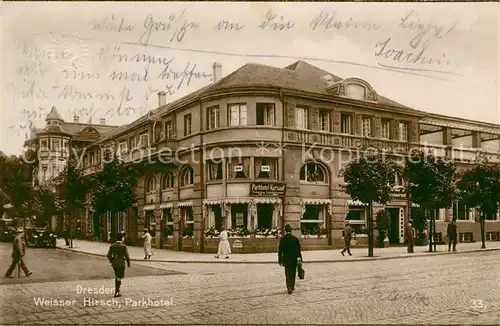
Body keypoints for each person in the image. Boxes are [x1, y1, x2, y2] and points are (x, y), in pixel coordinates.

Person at [278, 224, 303, 294]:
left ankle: (289, 287)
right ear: (291, 231)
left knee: (287, 273)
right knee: (293, 273)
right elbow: (298, 251)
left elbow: (280, 251)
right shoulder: (295, 239)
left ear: (285, 231)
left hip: (286, 259)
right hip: (294, 259)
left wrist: (280, 260)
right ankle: (292, 286)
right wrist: (300, 259)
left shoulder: (283, 239)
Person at [107, 232, 130, 298]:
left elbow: (108, 255)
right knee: (119, 276)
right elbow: (127, 256)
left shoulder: (112, 245)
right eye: (123, 237)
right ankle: (117, 291)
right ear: (122, 238)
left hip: (114, 263)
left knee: (117, 276)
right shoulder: (123, 246)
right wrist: (128, 263)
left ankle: (117, 290)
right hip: (121, 263)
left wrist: (112, 261)